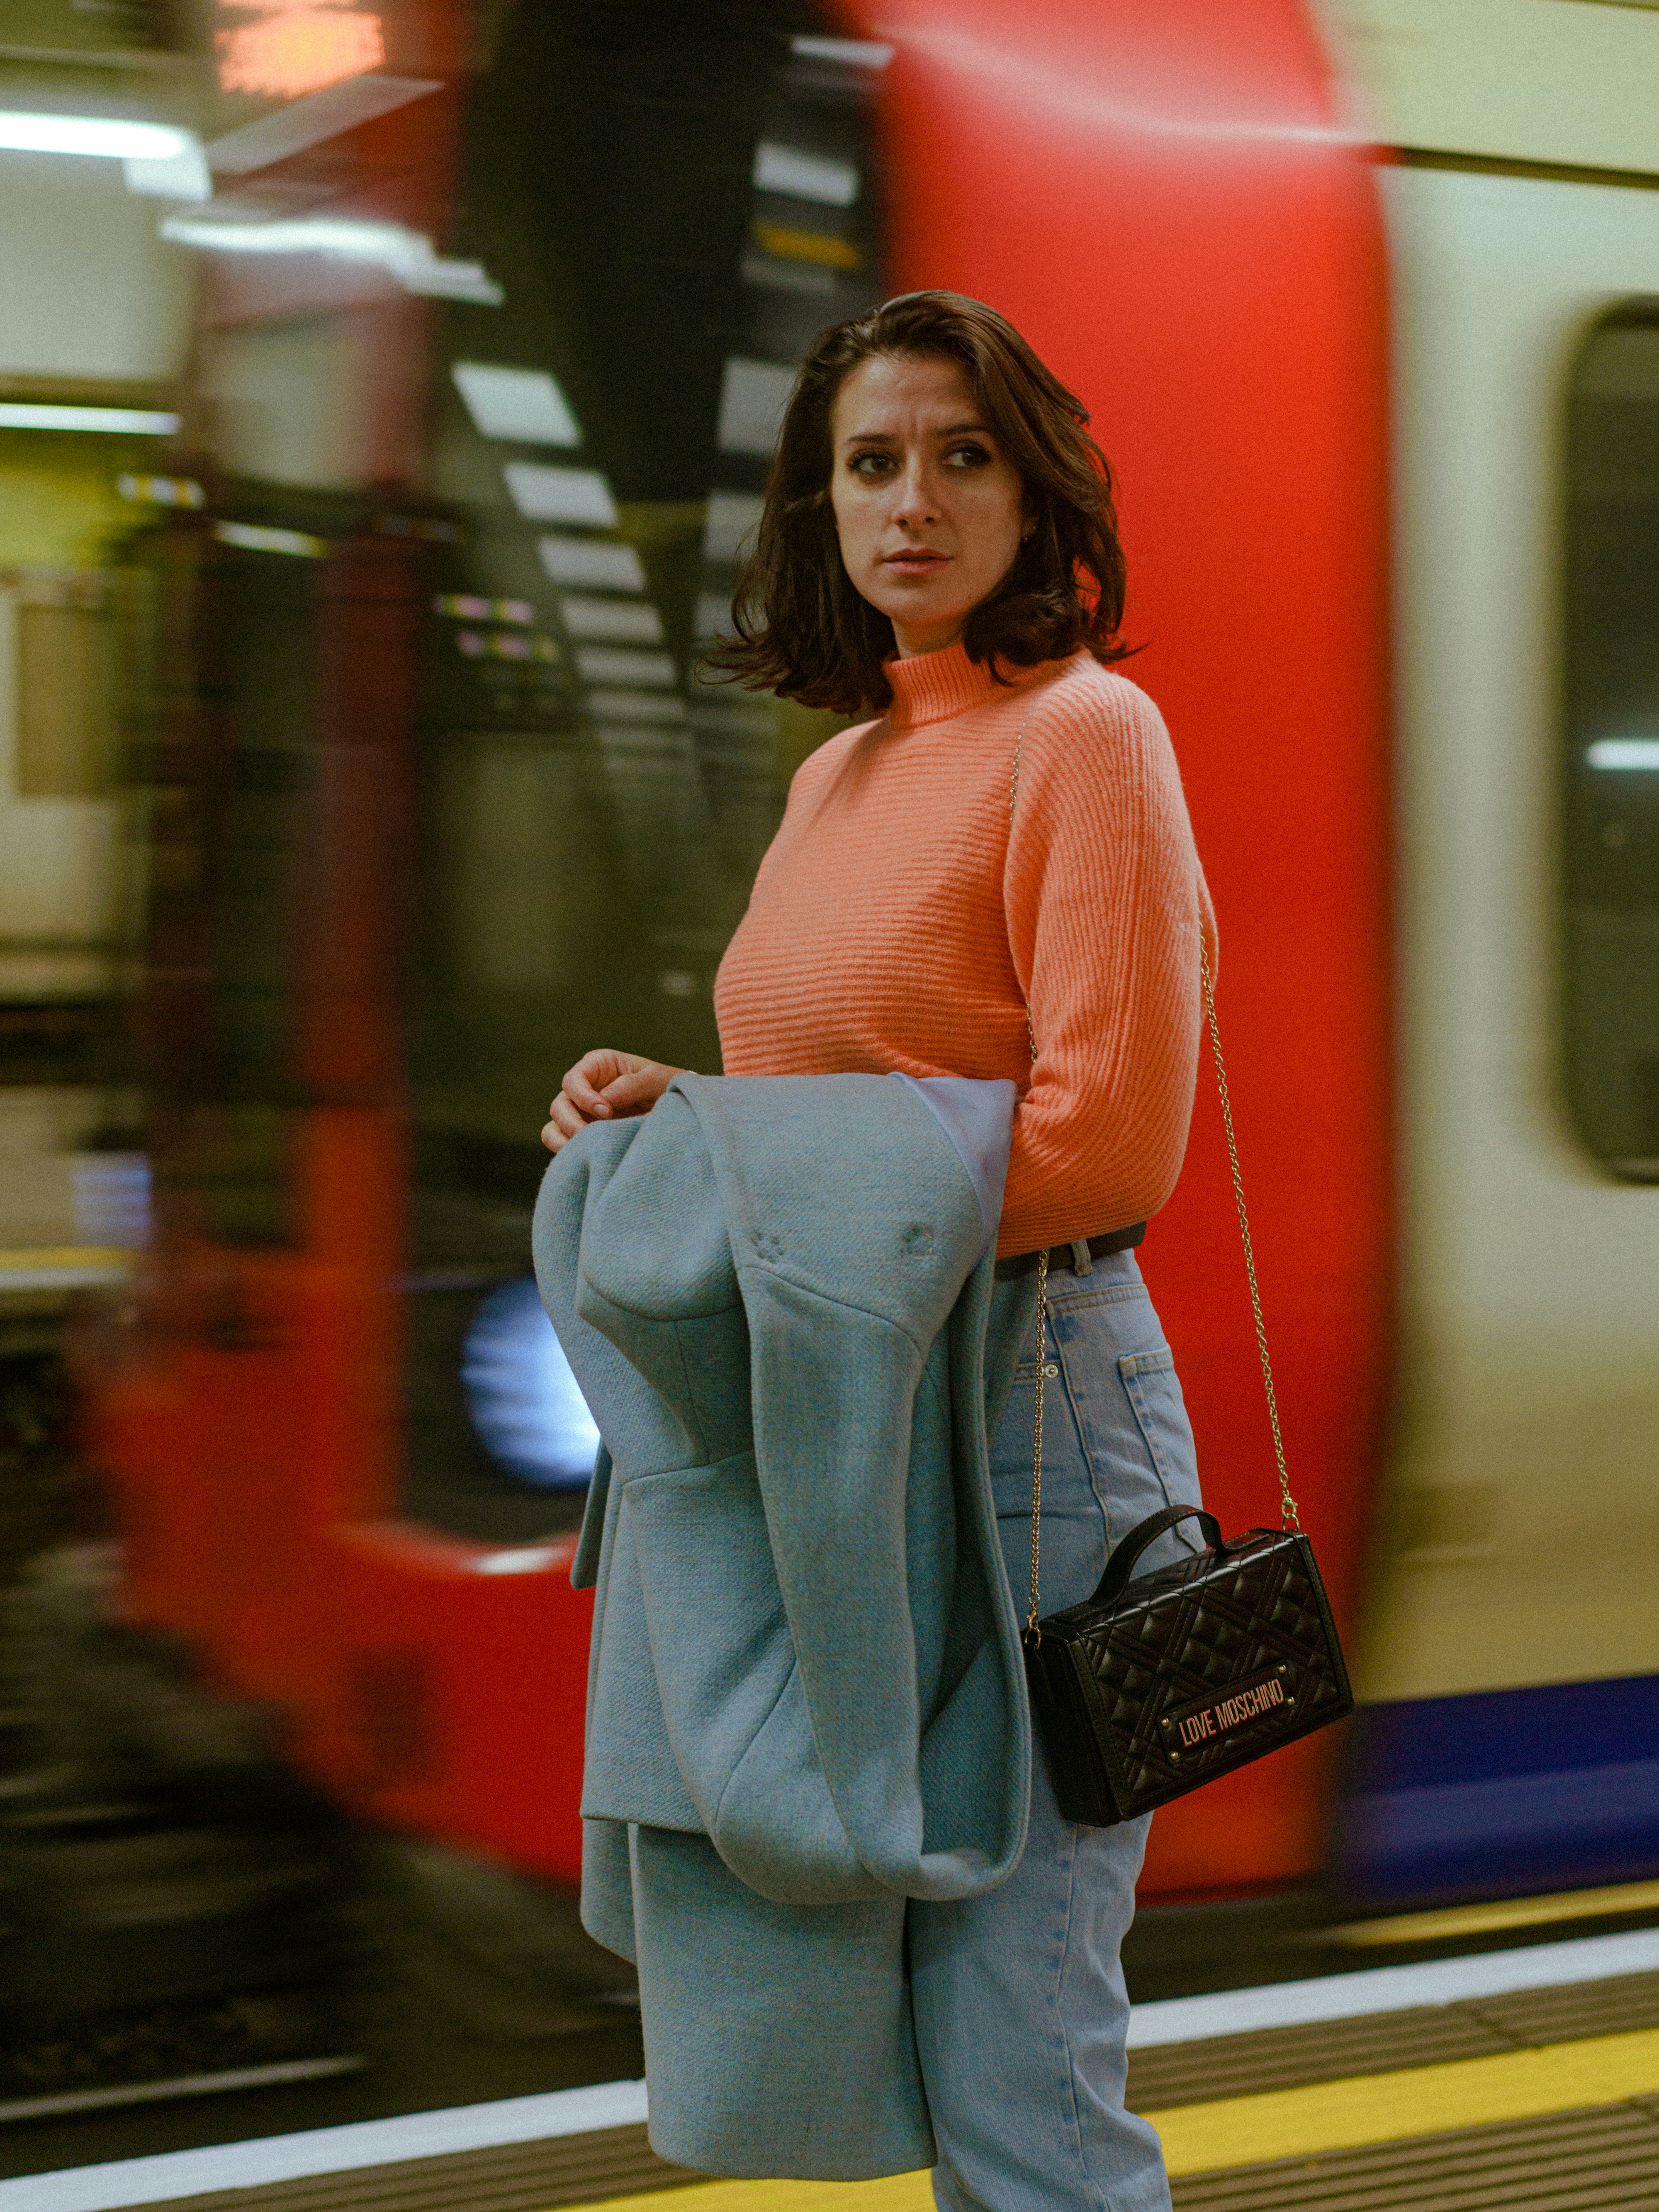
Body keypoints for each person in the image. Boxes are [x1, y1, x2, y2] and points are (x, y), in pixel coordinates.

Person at [542, 290, 1214, 2212]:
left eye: (959, 455)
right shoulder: (835, 775)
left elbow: (1104, 1135)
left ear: (1033, 490)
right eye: (867, 463)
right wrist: (675, 1122)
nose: (909, 500)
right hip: (847, 1397)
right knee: (892, 2021)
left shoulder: (1090, 737)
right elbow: (835, 1113)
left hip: (1029, 1410)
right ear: (818, 505)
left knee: (1018, 2054)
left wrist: (761, 1197)